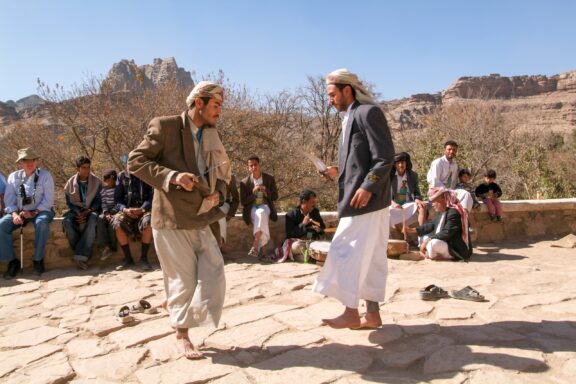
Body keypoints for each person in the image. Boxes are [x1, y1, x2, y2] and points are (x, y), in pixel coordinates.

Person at [128, 81, 231, 359]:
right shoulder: (166, 126)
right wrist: (172, 177)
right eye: (216, 105)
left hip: (202, 217)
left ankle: (175, 307)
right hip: (171, 219)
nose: (220, 111)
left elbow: (220, 172)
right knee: (183, 281)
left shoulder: (212, 133)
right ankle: (181, 334)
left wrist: (219, 194)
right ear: (199, 102)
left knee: (215, 275)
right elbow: (135, 161)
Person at [312, 68, 395, 329]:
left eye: (332, 94)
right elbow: (362, 160)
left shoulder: (368, 112)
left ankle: (350, 311)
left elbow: (385, 156)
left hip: (366, 200)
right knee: (371, 258)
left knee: (343, 250)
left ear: (347, 90)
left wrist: (368, 186)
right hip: (364, 199)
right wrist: (338, 171)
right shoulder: (350, 118)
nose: (330, 100)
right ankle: (372, 314)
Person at [0, 148, 55, 278]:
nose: (30, 163)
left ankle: (38, 259)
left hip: (41, 210)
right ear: (21, 163)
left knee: (41, 223)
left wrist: (33, 213)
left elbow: (48, 201)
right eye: (26, 160)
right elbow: (9, 200)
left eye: (33, 160)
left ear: (36, 161)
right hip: (19, 212)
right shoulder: (13, 177)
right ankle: (12, 262)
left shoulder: (45, 176)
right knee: (2, 225)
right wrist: (14, 214)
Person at [62, 156, 102, 270]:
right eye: (84, 167)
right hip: (76, 210)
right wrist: (78, 212)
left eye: (88, 167)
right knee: (67, 222)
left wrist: (88, 211)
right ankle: (82, 254)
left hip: (91, 210)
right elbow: (69, 202)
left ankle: (80, 256)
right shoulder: (70, 184)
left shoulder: (96, 181)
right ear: (77, 169)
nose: (87, 170)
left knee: (93, 220)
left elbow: (98, 201)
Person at [112, 164, 154, 271]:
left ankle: (144, 259)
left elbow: (152, 196)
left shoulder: (147, 175)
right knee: (117, 223)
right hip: (127, 210)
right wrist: (125, 209)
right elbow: (117, 199)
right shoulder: (121, 176)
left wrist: (142, 209)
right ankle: (128, 258)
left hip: (144, 209)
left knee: (149, 223)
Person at [414, 187, 472, 261]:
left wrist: (428, 240)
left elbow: (446, 232)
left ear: (442, 199)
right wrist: (411, 230)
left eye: (434, 202)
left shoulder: (454, 212)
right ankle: (431, 254)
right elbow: (431, 225)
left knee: (433, 243)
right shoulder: (443, 212)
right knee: (424, 236)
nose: (432, 205)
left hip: (456, 249)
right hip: (446, 244)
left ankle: (448, 257)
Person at [240, 155, 278, 258]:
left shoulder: (269, 179)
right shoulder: (244, 182)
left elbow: (275, 196)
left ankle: (256, 244)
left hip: (265, 205)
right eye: (250, 166)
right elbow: (243, 202)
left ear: (259, 165)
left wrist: (265, 190)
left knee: (261, 212)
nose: (253, 168)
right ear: (248, 167)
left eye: (255, 165)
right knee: (261, 215)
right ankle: (264, 252)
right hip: (252, 208)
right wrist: (253, 194)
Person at [276, 189, 325, 263]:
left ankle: (305, 257)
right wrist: (303, 224)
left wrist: (319, 229)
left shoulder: (315, 212)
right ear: (304, 201)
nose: (314, 205)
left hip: (312, 240)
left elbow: (322, 227)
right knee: (298, 246)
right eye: (311, 202)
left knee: (322, 244)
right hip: (298, 242)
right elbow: (290, 234)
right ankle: (309, 256)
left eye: (314, 202)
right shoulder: (291, 215)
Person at [389, 152, 426, 236]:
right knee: (391, 212)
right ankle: (406, 236)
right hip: (394, 202)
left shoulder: (413, 175)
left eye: (403, 162)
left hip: (408, 201)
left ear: (406, 163)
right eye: (398, 163)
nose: (401, 165)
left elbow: (416, 191)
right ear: (394, 165)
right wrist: (392, 203)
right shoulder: (389, 176)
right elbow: (385, 193)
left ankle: (421, 234)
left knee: (422, 207)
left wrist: (417, 199)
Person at [212, 174, 240, 251]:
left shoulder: (230, 176)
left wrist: (230, 213)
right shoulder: (210, 173)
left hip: (224, 204)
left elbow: (236, 199)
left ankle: (222, 243)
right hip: (211, 205)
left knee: (219, 215)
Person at [96, 169, 118, 260]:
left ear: (113, 179)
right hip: (107, 211)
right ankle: (105, 246)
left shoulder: (118, 189)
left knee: (112, 223)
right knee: (100, 218)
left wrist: (113, 212)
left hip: (116, 211)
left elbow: (119, 202)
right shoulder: (104, 190)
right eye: (104, 180)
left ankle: (112, 247)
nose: (106, 182)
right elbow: (103, 202)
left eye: (107, 180)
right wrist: (106, 212)